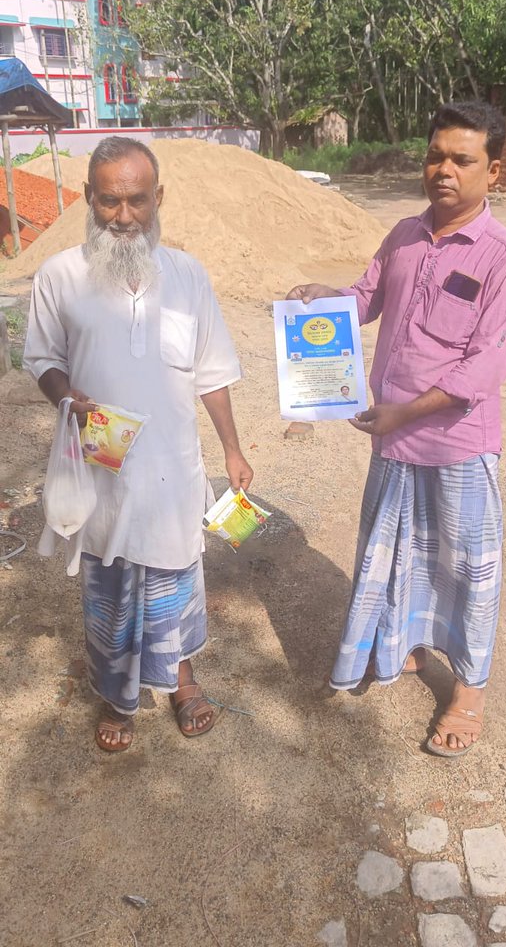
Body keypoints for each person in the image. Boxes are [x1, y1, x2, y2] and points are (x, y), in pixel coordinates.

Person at [287, 101, 506, 757]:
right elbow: (367, 297)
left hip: (455, 444)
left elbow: (485, 368)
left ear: (492, 170)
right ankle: (400, 649)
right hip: (392, 442)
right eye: (434, 156)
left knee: (465, 570)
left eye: (461, 159)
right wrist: (326, 296)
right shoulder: (400, 234)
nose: (443, 170)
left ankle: (468, 691)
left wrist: (402, 411)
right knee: (394, 555)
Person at [24, 137, 253, 752]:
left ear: (159, 198)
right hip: (103, 461)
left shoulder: (187, 275)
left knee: (176, 574)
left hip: (174, 465)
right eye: (108, 202)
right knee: (112, 581)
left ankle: (181, 681)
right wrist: (68, 398)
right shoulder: (59, 277)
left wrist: (233, 449)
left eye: (136, 201)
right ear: (88, 201)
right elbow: (42, 358)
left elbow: (211, 371)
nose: (123, 217)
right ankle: (115, 697)